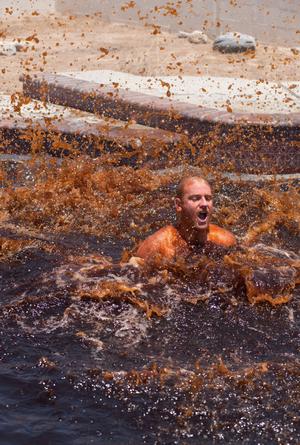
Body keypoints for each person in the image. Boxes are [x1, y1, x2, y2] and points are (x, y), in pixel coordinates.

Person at [135, 175, 236, 265]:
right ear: (178, 205)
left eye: (208, 198)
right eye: (196, 198)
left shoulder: (225, 240)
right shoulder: (157, 246)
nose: (204, 204)